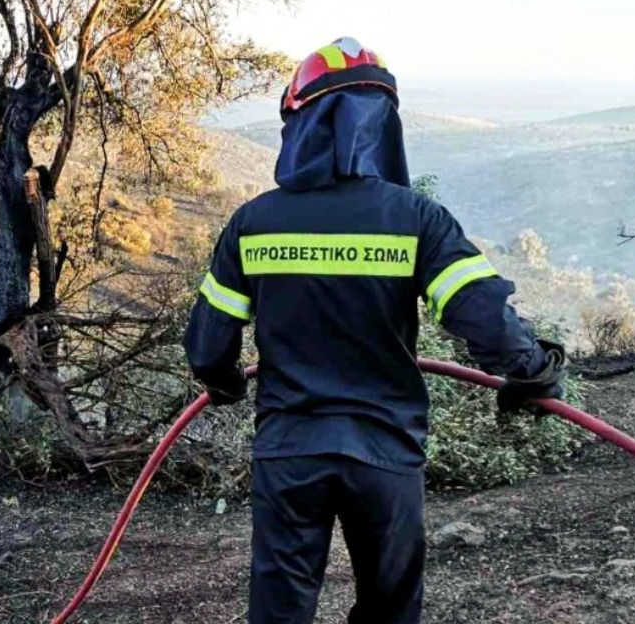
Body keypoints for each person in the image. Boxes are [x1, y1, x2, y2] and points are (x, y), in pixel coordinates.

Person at [183, 37, 565, 624]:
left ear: (299, 122)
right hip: (385, 456)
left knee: (280, 612)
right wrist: (533, 372)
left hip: (290, 453)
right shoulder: (417, 219)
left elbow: (209, 350)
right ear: (382, 124)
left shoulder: (253, 223)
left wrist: (226, 382)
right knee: (390, 610)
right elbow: (484, 318)